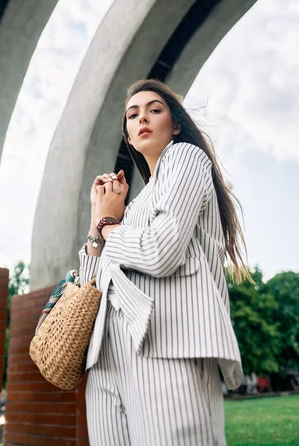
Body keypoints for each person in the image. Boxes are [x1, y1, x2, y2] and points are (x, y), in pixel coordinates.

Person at [79, 78, 248, 446]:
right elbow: (92, 286)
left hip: (168, 344)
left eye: (154, 110)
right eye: (132, 114)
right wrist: (99, 219)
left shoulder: (185, 157)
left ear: (175, 124)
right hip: (107, 360)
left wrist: (110, 225)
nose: (142, 118)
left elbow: (161, 250)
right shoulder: (136, 204)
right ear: (127, 132)